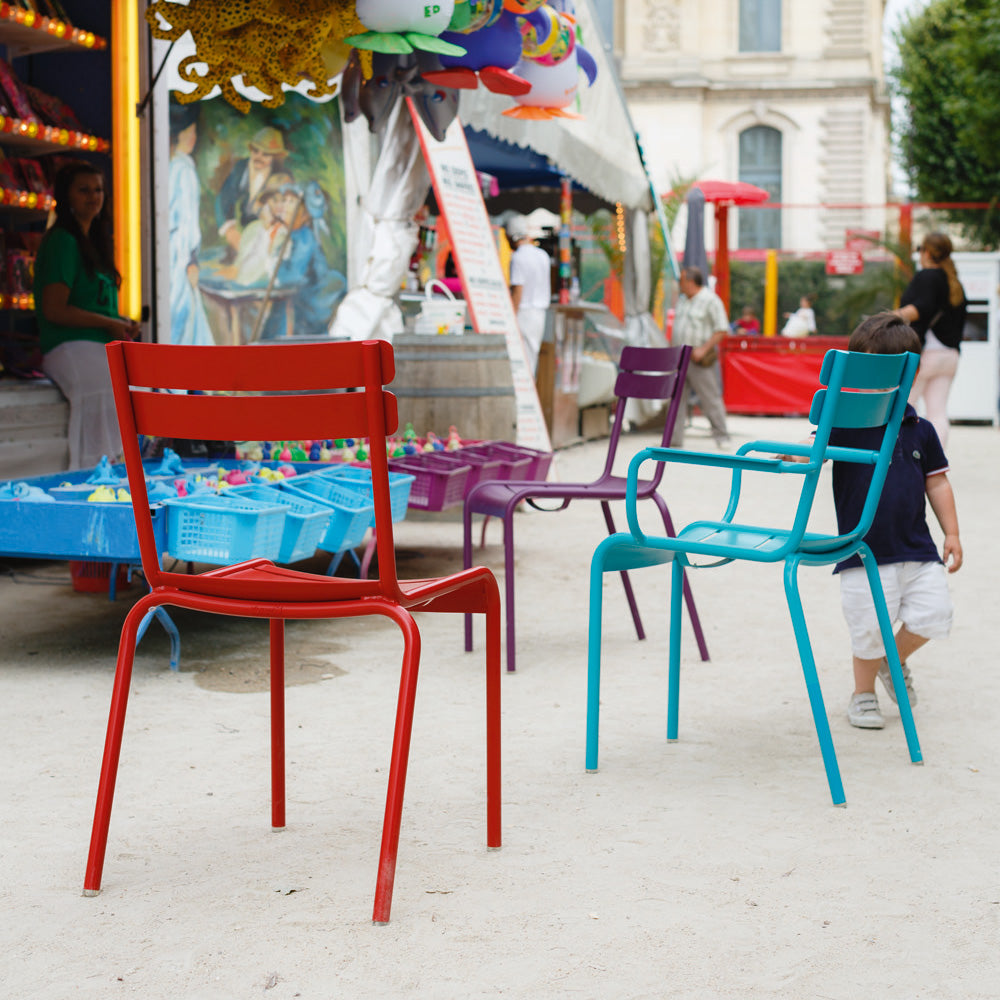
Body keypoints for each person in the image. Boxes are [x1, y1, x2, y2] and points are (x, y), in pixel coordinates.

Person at [832, 313, 962, 730]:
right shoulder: (846, 424)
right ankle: (862, 694)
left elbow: (937, 482)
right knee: (868, 628)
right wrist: (793, 454)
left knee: (935, 614)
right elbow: (813, 445)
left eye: (887, 375)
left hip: (917, 547)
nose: (877, 385)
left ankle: (892, 660)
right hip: (864, 549)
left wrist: (952, 532)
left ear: (912, 374)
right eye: (867, 372)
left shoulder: (920, 429)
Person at [34, 160, 140, 470]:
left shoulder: (94, 242)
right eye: (84, 190)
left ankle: (122, 477)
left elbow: (95, 305)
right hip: (69, 347)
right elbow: (55, 309)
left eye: (98, 190)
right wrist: (111, 323)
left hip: (99, 348)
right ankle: (93, 480)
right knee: (105, 392)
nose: (93, 197)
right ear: (66, 196)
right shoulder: (62, 241)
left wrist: (121, 323)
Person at [897, 232, 966, 447]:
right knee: (938, 412)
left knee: (906, 406)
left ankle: (907, 457)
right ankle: (937, 461)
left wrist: (890, 316)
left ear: (926, 252)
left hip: (925, 354)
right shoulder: (954, 281)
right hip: (949, 355)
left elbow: (921, 308)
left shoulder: (927, 276)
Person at [168, 101, 214, 346]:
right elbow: (187, 224)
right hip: (179, 257)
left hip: (174, 255)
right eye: (189, 132)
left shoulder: (171, 165)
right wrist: (191, 261)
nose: (193, 138)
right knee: (183, 322)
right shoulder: (183, 168)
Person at [670, 266, 731, 448]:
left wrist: (703, 350)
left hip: (699, 358)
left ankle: (722, 437)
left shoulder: (710, 300)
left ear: (690, 282)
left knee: (710, 398)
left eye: (681, 281)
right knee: (676, 399)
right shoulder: (682, 301)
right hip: (680, 357)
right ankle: (673, 440)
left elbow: (721, 329)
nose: (679, 285)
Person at [214, 126, 290, 255]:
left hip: (267, 240)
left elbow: (287, 211)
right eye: (256, 151)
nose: (258, 157)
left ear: (275, 156)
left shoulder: (282, 176)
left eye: (265, 154)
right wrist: (229, 229)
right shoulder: (240, 168)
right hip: (238, 238)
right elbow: (223, 198)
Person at [507, 216, 551, 375]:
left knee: (520, 362)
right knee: (531, 360)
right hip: (539, 316)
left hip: (523, 315)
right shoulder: (543, 255)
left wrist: (510, 319)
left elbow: (517, 292)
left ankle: (524, 390)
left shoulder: (518, 257)